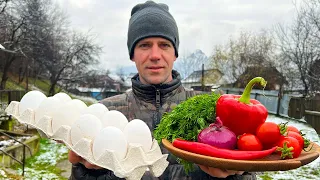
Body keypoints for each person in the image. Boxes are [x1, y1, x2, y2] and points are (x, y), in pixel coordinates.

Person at [68, 1, 256, 179]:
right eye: (144, 45)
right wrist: (87, 174)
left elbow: (247, 171)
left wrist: (235, 175)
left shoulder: (214, 111)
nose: (155, 55)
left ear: (175, 53)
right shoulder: (106, 113)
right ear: (132, 54)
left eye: (164, 45)